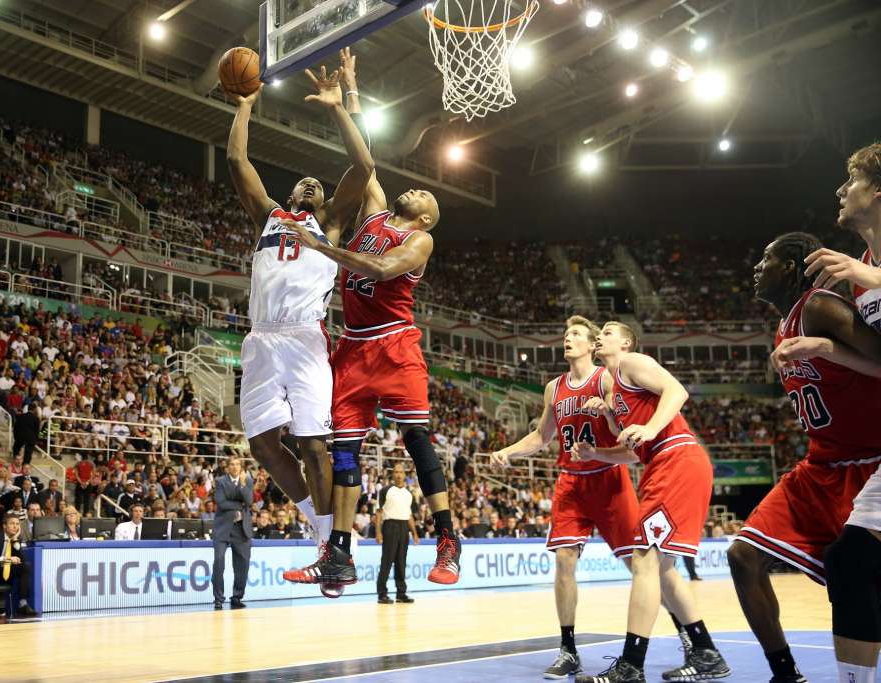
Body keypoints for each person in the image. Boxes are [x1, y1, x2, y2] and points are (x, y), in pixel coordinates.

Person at [283, 48, 458, 589]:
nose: (415, 189)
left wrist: (320, 246)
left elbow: (381, 268)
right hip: (353, 348)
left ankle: (449, 537)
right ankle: (339, 551)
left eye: (424, 194)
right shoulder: (378, 210)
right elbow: (367, 159)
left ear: (426, 215)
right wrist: (347, 98)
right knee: (345, 453)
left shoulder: (418, 238)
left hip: (394, 344)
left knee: (416, 439)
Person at [226, 54, 374, 595]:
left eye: (317, 183)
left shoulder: (330, 221)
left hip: (307, 338)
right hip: (261, 339)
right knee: (264, 445)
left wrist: (339, 110)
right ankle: (322, 529)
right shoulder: (268, 216)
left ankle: (335, 545)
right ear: (290, 196)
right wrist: (245, 106)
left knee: (314, 445)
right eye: (304, 182)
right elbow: (236, 159)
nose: (311, 183)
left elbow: (363, 169)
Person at [493, 316, 692, 678]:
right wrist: (509, 451)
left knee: (642, 567)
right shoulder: (555, 387)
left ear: (590, 345)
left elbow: (624, 433)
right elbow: (541, 436)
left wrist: (612, 417)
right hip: (571, 482)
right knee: (564, 560)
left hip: (609, 479)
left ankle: (687, 632)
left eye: (575, 336)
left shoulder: (606, 378)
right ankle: (568, 649)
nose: (567, 340)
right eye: (566, 335)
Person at [751, 240, 881, 678]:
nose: (755, 268)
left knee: (855, 572)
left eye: (765, 260)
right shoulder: (783, 326)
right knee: (742, 557)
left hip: (867, 460)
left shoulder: (820, 306)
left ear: (789, 266)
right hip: (820, 464)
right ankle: (785, 672)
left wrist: (825, 347)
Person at [572, 321, 728, 682]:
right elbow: (631, 452)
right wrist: (597, 450)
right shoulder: (618, 397)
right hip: (661, 463)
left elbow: (677, 391)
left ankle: (631, 667)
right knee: (662, 567)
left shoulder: (632, 362)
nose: (601, 336)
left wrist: (652, 428)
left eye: (608, 332)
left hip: (676, 460)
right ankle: (706, 653)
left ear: (625, 342)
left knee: (643, 559)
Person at [212, 458, 253, 610]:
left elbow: (249, 501)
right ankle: (218, 598)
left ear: (241, 467)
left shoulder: (247, 480)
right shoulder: (221, 481)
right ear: (227, 467)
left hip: (242, 529)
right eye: (232, 464)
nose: (235, 467)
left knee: (242, 565)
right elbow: (221, 503)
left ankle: (237, 597)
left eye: (237, 464)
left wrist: (242, 485)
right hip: (223, 528)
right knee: (219, 562)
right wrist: (240, 505)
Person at [375, 463, 418, 604]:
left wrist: (415, 533)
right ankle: (382, 594)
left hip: (404, 527)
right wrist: (378, 533)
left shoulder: (409, 494)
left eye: (401, 472)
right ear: (392, 474)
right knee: (386, 561)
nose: (399, 475)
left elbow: (410, 515)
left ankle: (401, 593)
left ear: (404, 474)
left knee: (401, 561)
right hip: (390, 525)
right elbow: (379, 513)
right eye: (396, 472)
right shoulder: (385, 490)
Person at [0, 513, 36, 616]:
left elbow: (22, 560)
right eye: (12, 523)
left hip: (8, 572)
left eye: (17, 524)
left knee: (25, 566)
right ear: (4, 525)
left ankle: (23, 604)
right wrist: (6, 559)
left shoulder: (16, 539)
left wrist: (15, 540)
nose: (15, 526)